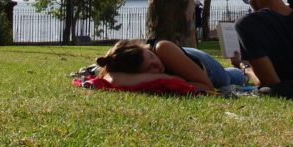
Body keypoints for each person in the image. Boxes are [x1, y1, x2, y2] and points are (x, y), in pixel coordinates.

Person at [95, 39, 245, 92]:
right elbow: (112, 79)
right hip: (187, 60)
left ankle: (244, 67)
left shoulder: (162, 48)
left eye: (151, 57)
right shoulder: (125, 68)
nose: (156, 65)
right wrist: (163, 77)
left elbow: (207, 87)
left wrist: (163, 76)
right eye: (149, 69)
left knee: (237, 75)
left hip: (213, 71)